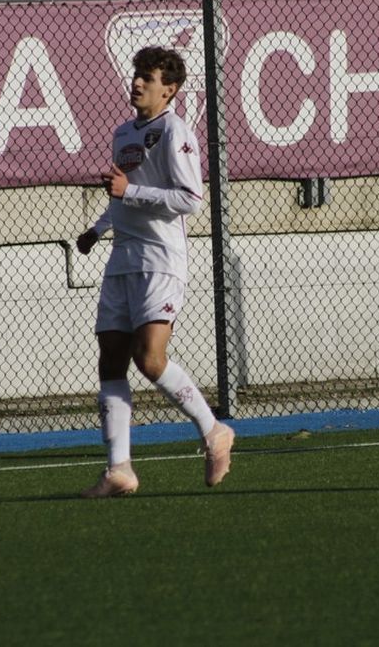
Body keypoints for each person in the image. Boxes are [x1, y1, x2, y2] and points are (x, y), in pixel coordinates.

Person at [76, 46, 234, 497]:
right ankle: (118, 469)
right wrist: (98, 229)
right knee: (110, 359)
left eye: (148, 77)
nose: (138, 82)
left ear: (170, 89)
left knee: (149, 358)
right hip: (123, 258)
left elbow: (190, 199)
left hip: (162, 258)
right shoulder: (123, 132)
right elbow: (120, 194)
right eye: (137, 74)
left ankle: (212, 430)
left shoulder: (174, 130)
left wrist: (131, 192)